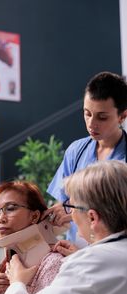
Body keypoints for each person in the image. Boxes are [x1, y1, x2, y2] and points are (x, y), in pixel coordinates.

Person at [0, 160, 127, 294]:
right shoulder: (104, 258)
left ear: (92, 217)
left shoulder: (91, 265)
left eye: (71, 208)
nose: (70, 216)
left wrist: (17, 283)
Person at [47, 71, 127, 244]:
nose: (91, 124)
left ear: (123, 116)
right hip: (76, 252)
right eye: (87, 113)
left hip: (114, 254)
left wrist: (73, 211)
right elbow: (62, 202)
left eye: (102, 117)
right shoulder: (76, 151)